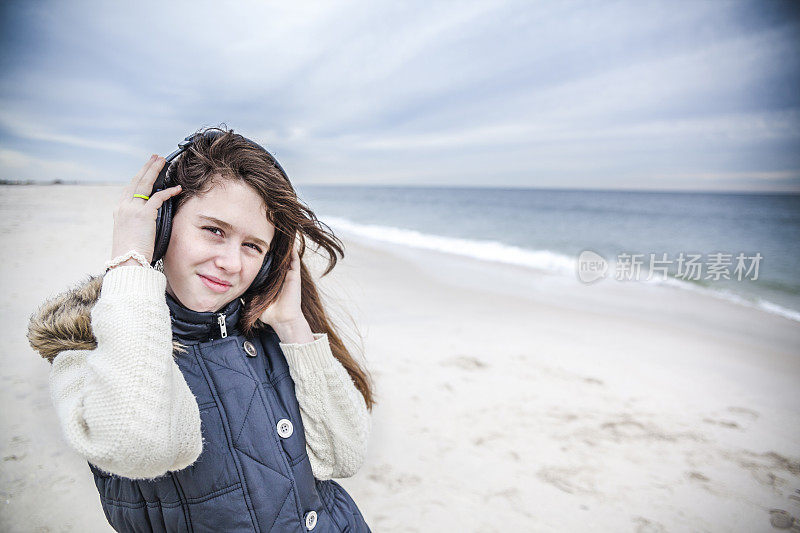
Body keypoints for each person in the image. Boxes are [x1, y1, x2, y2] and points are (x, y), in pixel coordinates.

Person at [26, 126, 375, 532]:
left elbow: (344, 455)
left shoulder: (275, 336)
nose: (231, 262)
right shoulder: (85, 346)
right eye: (214, 230)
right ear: (163, 225)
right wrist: (130, 260)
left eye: (252, 246)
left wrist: (293, 326)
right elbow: (140, 444)